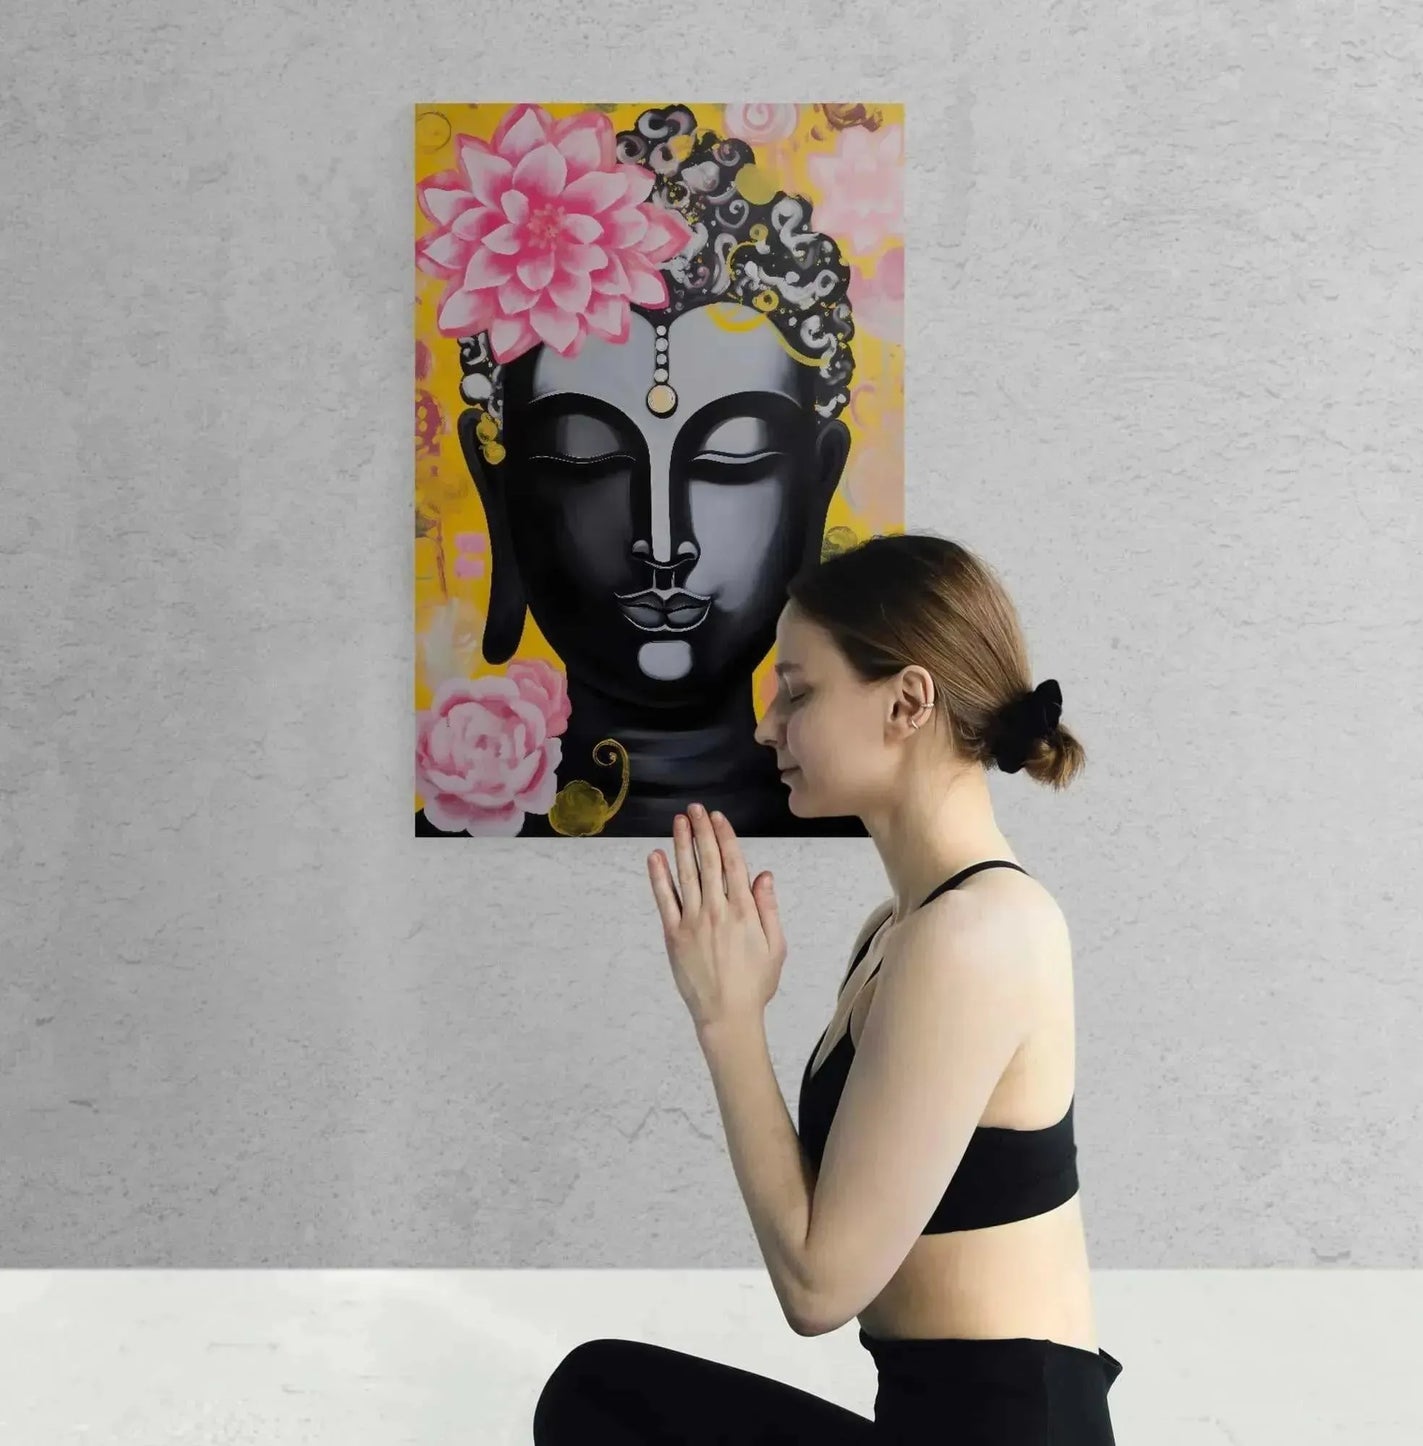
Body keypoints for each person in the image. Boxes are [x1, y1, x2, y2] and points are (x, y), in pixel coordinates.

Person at [531, 532, 1124, 1443]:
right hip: (922, 1423)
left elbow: (819, 1288)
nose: (767, 725)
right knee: (601, 1394)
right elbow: (836, 1220)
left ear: (907, 701)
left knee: (599, 1399)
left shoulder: (979, 934)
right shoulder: (898, 931)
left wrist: (728, 1023)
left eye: (798, 690)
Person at [414, 103, 871, 837]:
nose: (664, 544)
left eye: (731, 459)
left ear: (814, 489)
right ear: (500, 494)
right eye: (586, 460)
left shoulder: (868, 845)